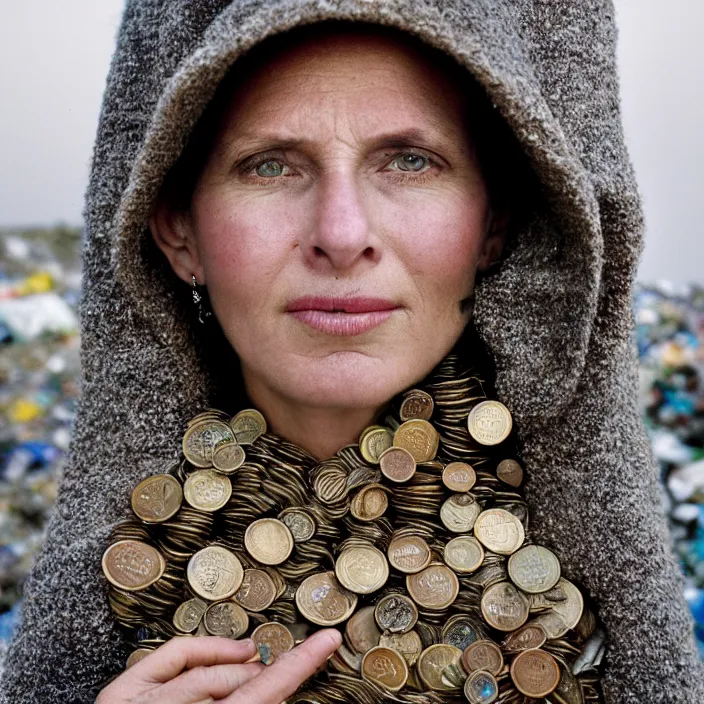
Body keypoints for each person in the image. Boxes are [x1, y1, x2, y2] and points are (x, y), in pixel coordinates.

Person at [1, 2, 702, 703]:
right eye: (269, 165)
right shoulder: (128, 577)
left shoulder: (583, 605)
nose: (341, 234)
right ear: (177, 230)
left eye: (410, 161)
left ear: (495, 225)